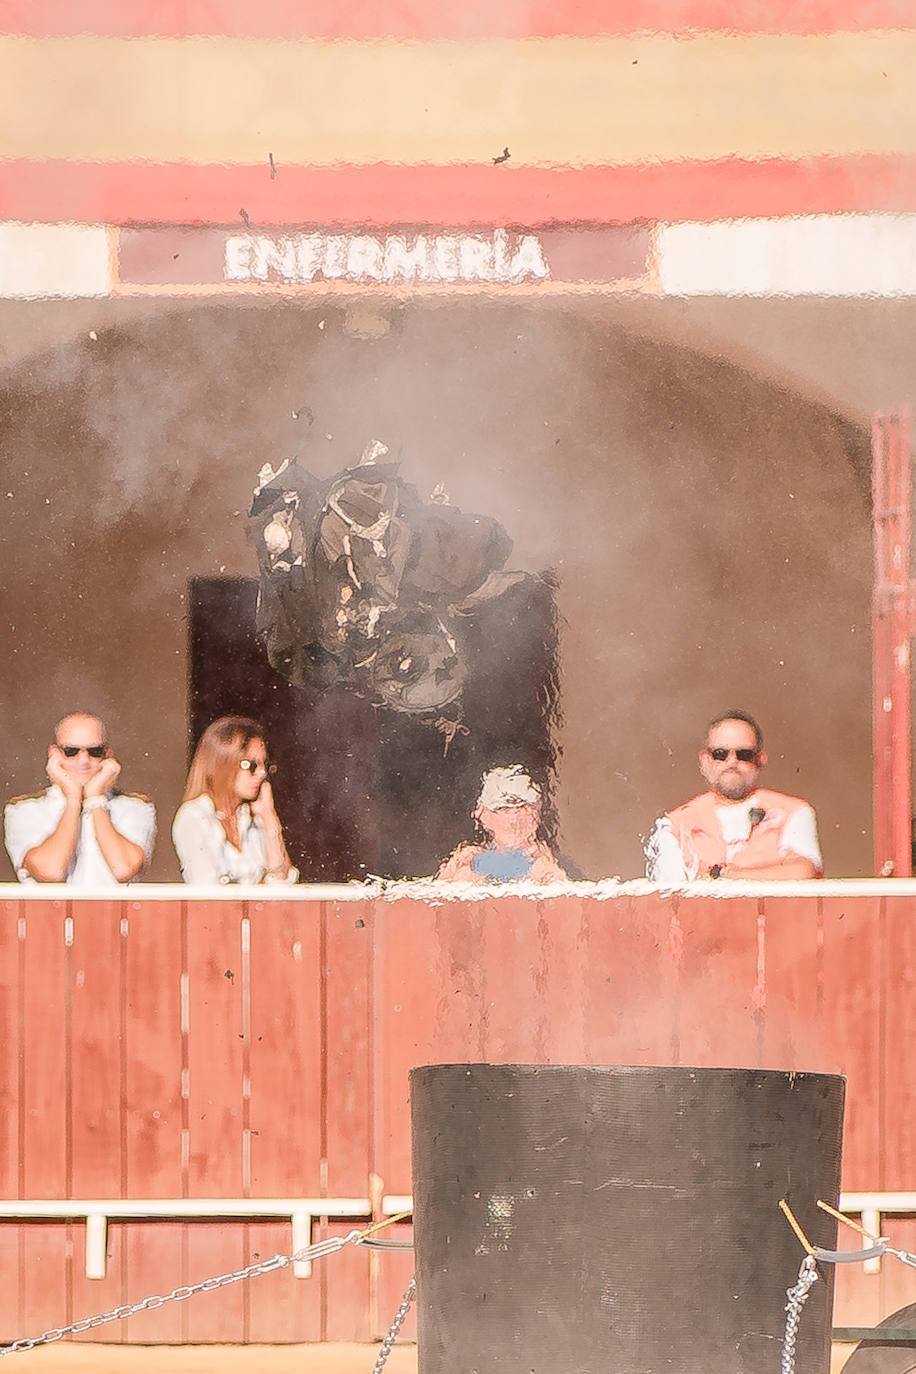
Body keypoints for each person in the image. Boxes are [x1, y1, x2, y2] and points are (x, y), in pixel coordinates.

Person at [645, 710, 823, 882]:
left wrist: (726, 876)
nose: (732, 762)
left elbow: (803, 872)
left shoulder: (793, 811)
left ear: (760, 761)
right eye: (720, 754)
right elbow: (668, 893)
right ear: (705, 761)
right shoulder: (675, 823)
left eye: (743, 755)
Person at [4, 712, 155, 885]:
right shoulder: (24, 809)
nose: (83, 760)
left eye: (94, 751)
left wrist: (96, 800)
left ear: (107, 754)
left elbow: (123, 869)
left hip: (113, 912)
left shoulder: (134, 806)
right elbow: (51, 871)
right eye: (71, 751)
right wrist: (73, 799)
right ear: (54, 754)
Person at [172, 716, 297, 884]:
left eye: (264, 765)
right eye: (251, 765)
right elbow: (206, 890)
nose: (262, 773)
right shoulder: (194, 817)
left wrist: (269, 819)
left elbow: (283, 884)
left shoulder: (253, 817)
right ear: (223, 763)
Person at [436, 765, 568, 884]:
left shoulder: (550, 863)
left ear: (539, 810)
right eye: (503, 809)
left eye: (524, 807)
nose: (514, 818)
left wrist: (551, 878)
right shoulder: (466, 861)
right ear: (480, 813)